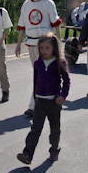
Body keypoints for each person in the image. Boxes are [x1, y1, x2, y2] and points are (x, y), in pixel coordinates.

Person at [17, 32, 70, 164]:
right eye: (41, 48)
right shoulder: (38, 63)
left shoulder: (60, 62)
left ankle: (54, 149)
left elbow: (67, 81)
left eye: (47, 48)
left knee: (55, 127)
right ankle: (27, 154)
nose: (44, 51)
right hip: (40, 101)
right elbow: (36, 81)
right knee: (35, 128)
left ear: (54, 48)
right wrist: (35, 98)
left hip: (54, 101)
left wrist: (62, 96)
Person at [15, 0, 62, 117]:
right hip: (31, 44)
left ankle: (34, 106)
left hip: (45, 44)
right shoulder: (26, 5)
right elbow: (22, 26)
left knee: (40, 73)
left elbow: (56, 24)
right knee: (41, 73)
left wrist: (58, 44)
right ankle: (48, 99)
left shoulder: (48, 3)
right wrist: (18, 44)